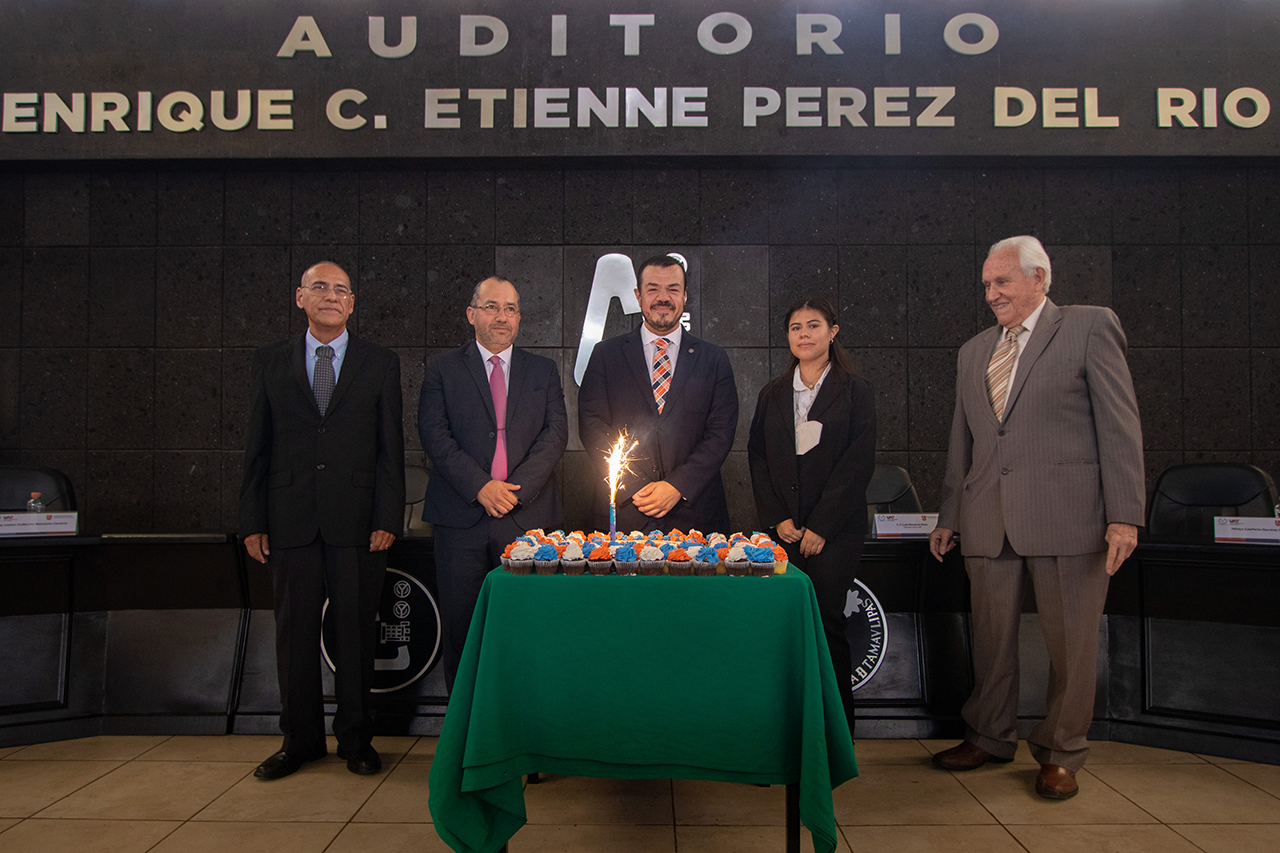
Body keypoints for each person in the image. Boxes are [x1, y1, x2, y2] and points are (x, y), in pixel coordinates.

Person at [928, 236, 1144, 800]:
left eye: (1001, 282)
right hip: (987, 516)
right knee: (991, 639)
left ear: (1039, 278)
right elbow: (962, 440)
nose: (991, 294)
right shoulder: (974, 350)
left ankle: (1061, 751)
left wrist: (1125, 515)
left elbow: (1120, 425)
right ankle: (988, 735)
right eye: (986, 284)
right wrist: (950, 513)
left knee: (1071, 644)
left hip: (1069, 516)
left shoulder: (1089, 326)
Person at [240, 261, 405, 780]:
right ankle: (300, 741)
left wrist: (387, 515)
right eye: (320, 287)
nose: (331, 296)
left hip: (358, 522)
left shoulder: (380, 363)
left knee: (355, 633)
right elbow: (257, 446)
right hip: (288, 519)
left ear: (352, 303)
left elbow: (391, 449)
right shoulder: (271, 360)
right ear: (300, 297)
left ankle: (356, 739)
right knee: (294, 634)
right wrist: (252, 520)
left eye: (341, 290)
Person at [419, 276, 567, 690]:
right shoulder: (443, 370)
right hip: (460, 518)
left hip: (526, 520)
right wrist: (481, 487)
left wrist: (513, 492)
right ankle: (467, 723)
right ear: (471, 314)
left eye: (510, 309)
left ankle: (523, 719)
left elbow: (556, 434)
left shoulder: (543, 370)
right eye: (492, 307)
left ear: (519, 318)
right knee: (462, 631)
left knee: (528, 628)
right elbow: (434, 435)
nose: (502, 316)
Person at [748, 297, 876, 737]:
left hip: (834, 532)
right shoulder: (772, 394)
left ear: (833, 332)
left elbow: (858, 463)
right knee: (783, 626)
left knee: (826, 623)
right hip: (784, 533)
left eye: (813, 325)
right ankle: (788, 726)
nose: (804, 334)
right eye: (795, 327)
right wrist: (777, 519)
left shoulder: (855, 391)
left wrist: (821, 525)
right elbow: (758, 458)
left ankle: (836, 731)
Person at [578, 253, 738, 534]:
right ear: (638, 296)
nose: (663, 298)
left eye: (673, 289)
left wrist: (677, 486)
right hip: (625, 512)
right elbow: (592, 425)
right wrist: (635, 487)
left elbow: (721, 433)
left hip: (695, 516)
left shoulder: (713, 359)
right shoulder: (605, 355)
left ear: (685, 296)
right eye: (653, 289)